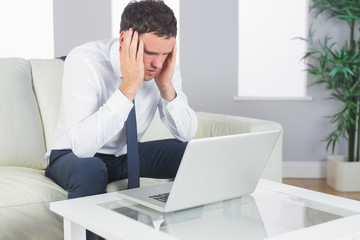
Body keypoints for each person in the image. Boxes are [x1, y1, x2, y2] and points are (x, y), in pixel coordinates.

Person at [45, 0, 197, 239]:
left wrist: (167, 87)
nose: (157, 63)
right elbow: (82, 147)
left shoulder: (162, 66)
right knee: (91, 168)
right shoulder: (85, 61)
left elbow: (187, 133)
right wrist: (129, 86)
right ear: (126, 39)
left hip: (126, 155)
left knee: (192, 154)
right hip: (72, 155)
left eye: (165, 53)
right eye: (149, 53)